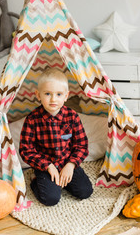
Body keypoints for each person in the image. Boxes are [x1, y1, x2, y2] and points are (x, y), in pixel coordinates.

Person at [19, 68, 93, 206]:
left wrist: (71, 165)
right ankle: (36, 181)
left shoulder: (72, 116)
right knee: (50, 199)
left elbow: (82, 145)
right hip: (45, 167)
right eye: (47, 94)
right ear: (38, 95)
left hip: (67, 162)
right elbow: (26, 150)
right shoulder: (32, 119)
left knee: (85, 191)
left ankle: (63, 180)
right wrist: (47, 166)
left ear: (66, 96)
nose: (53, 99)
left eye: (59, 94)